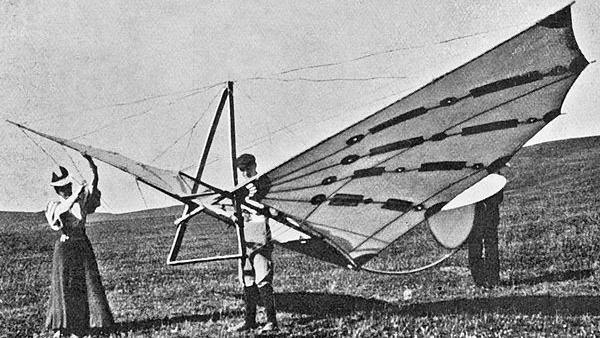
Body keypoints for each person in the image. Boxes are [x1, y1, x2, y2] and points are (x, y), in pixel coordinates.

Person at [44, 154, 114, 337]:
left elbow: (93, 186)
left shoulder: (80, 201)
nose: (64, 190)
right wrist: (77, 193)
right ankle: (62, 327)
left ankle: (83, 325)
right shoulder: (55, 205)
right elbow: (62, 210)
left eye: (66, 186)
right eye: (61, 188)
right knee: (64, 286)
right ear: (57, 191)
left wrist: (93, 167)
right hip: (65, 249)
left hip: (81, 246)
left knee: (84, 285)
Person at [230, 153, 278, 333]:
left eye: (247, 169)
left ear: (254, 165)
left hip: (260, 236)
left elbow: (272, 209)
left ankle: (271, 321)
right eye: (241, 170)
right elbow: (236, 210)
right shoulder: (239, 188)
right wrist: (235, 216)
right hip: (245, 237)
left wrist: (268, 208)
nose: (244, 173)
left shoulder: (263, 183)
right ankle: (249, 321)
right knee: (247, 280)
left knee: (263, 280)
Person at [467, 189, 504, 288]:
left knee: (490, 246)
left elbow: (499, 196)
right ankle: (480, 280)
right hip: (474, 215)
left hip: (489, 214)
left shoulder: (494, 175)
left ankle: (492, 279)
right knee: (476, 246)